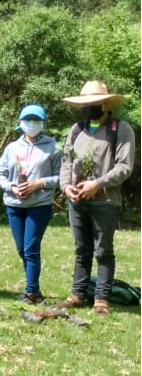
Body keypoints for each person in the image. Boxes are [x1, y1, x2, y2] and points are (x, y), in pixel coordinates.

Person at [55, 81, 135, 316]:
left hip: (105, 202)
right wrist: (66, 186)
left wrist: (97, 184)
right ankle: (78, 294)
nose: (89, 107)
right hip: (77, 201)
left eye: (93, 103)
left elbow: (124, 166)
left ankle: (101, 298)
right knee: (81, 250)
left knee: (103, 251)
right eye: (85, 104)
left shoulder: (120, 129)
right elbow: (66, 162)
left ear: (105, 104)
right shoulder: (76, 129)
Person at [0, 104, 61, 304]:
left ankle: (31, 291)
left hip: (39, 205)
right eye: (28, 120)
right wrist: (12, 187)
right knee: (22, 249)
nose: (32, 124)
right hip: (14, 204)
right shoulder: (12, 147)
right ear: (20, 123)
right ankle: (34, 291)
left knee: (31, 248)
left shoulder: (53, 146)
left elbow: (62, 177)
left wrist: (39, 183)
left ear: (43, 123)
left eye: (36, 120)